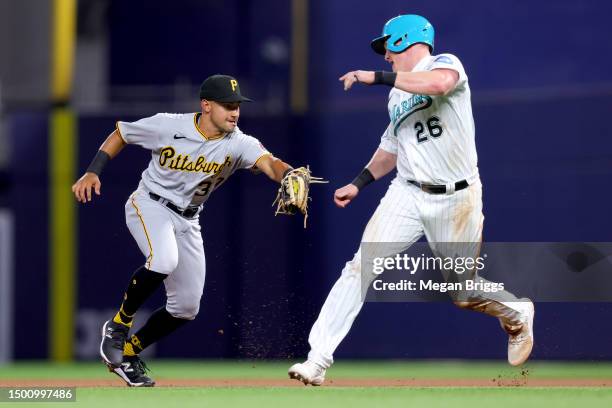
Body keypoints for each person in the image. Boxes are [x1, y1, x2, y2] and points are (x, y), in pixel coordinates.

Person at [288, 15, 534, 386]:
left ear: (406, 39)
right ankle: (317, 360)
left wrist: (375, 77)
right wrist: (359, 182)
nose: (385, 55)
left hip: (457, 196)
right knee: (359, 268)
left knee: (462, 292)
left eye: (387, 45)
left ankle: (516, 313)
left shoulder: (445, 63)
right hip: (406, 192)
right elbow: (391, 148)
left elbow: (439, 84)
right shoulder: (397, 93)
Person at [73, 74, 304, 387]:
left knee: (186, 307)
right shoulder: (169, 125)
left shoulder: (239, 142)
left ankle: (128, 353)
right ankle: (117, 326)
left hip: (189, 219)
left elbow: (269, 163)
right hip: (150, 204)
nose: (235, 112)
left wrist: (289, 175)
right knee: (163, 261)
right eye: (227, 105)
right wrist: (92, 171)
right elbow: (121, 134)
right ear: (206, 105)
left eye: (237, 105)